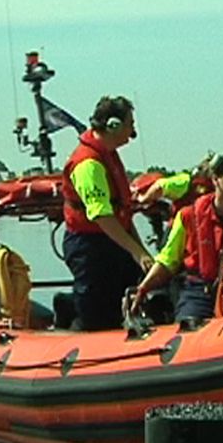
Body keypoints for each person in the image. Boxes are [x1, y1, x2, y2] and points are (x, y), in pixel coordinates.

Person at [132, 151, 223, 322]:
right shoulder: (188, 217)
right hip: (199, 291)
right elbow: (168, 260)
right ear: (216, 179)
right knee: (188, 324)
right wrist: (142, 289)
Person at [61, 95, 153, 331]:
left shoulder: (108, 154)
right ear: (113, 125)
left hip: (114, 241)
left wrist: (140, 251)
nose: (133, 132)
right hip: (89, 246)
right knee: (96, 311)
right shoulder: (88, 165)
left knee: (132, 286)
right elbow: (102, 216)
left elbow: (122, 213)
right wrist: (138, 252)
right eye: (130, 124)